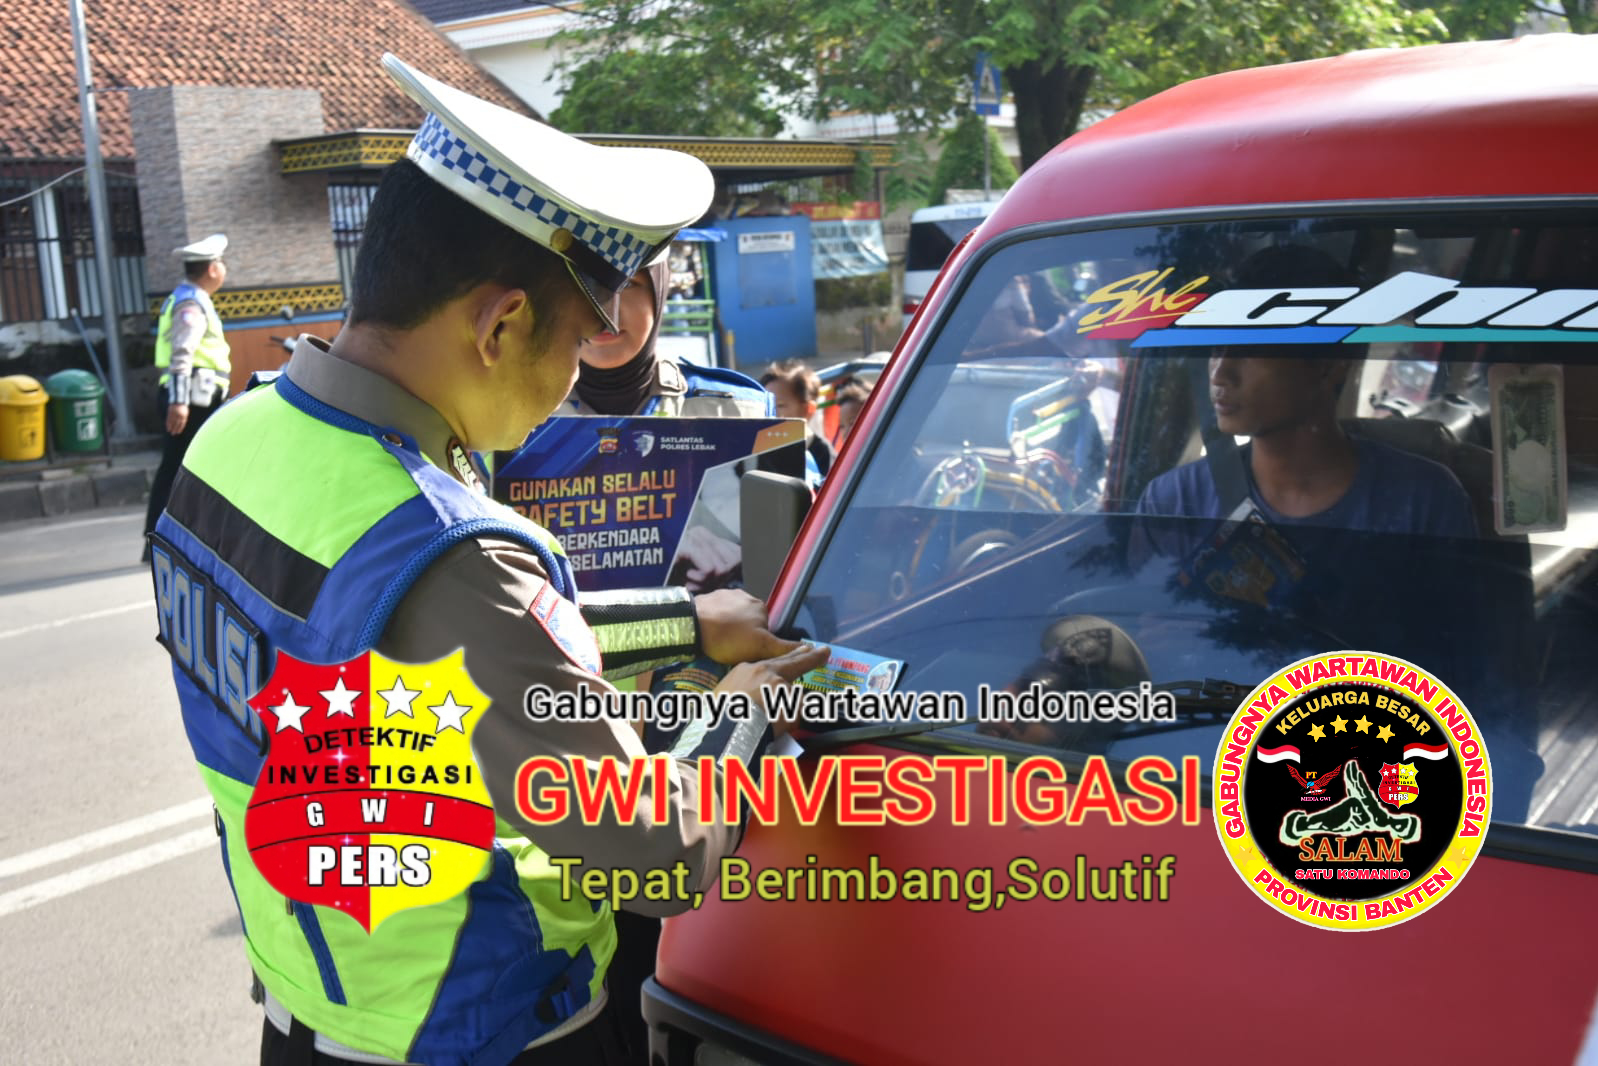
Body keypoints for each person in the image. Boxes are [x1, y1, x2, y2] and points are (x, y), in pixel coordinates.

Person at [149, 55, 827, 1066]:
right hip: (487, 1031)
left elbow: (420, 653)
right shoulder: (447, 546)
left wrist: (688, 623)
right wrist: (743, 711)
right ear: (502, 323)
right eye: (579, 340)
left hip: (306, 1006)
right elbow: (658, 851)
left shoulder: (230, 444)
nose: (572, 376)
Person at [562, 259, 772, 418]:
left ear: (658, 294)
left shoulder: (744, 412)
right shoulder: (540, 417)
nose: (602, 311)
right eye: (579, 285)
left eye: (625, 284)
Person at [141, 232, 230, 560]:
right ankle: (157, 541)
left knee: (188, 469)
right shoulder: (190, 304)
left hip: (196, 397)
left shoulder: (191, 298)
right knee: (178, 469)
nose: (223, 268)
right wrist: (179, 402)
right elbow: (182, 353)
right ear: (212, 269)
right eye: (221, 262)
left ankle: (174, 541)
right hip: (191, 399)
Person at [760, 360, 832, 482]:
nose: (769, 412)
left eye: (780, 405)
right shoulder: (760, 446)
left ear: (808, 409)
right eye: (766, 405)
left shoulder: (820, 452)